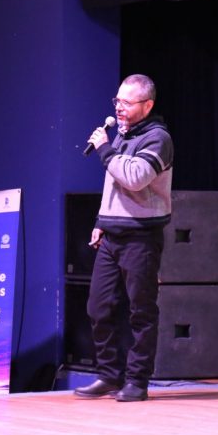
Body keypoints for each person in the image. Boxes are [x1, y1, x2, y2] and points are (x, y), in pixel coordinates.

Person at [74, 74, 173, 402]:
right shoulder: (122, 134)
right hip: (112, 235)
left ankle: (137, 381)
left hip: (141, 236)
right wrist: (101, 221)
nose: (119, 107)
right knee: (98, 307)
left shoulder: (158, 138)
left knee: (141, 311)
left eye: (127, 103)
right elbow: (113, 184)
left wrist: (104, 148)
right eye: (117, 100)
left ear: (148, 105)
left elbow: (134, 178)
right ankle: (109, 375)